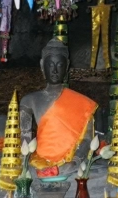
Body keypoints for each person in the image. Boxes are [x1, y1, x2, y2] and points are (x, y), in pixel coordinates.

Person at [20, 38, 97, 172]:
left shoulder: (82, 102)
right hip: (38, 163)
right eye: (50, 65)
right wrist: (26, 162)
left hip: (70, 163)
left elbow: (87, 139)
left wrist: (75, 161)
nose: (55, 70)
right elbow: (24, 138)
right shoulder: (29, 100)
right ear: (42, 65)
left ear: (67, 66)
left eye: (60, 65)